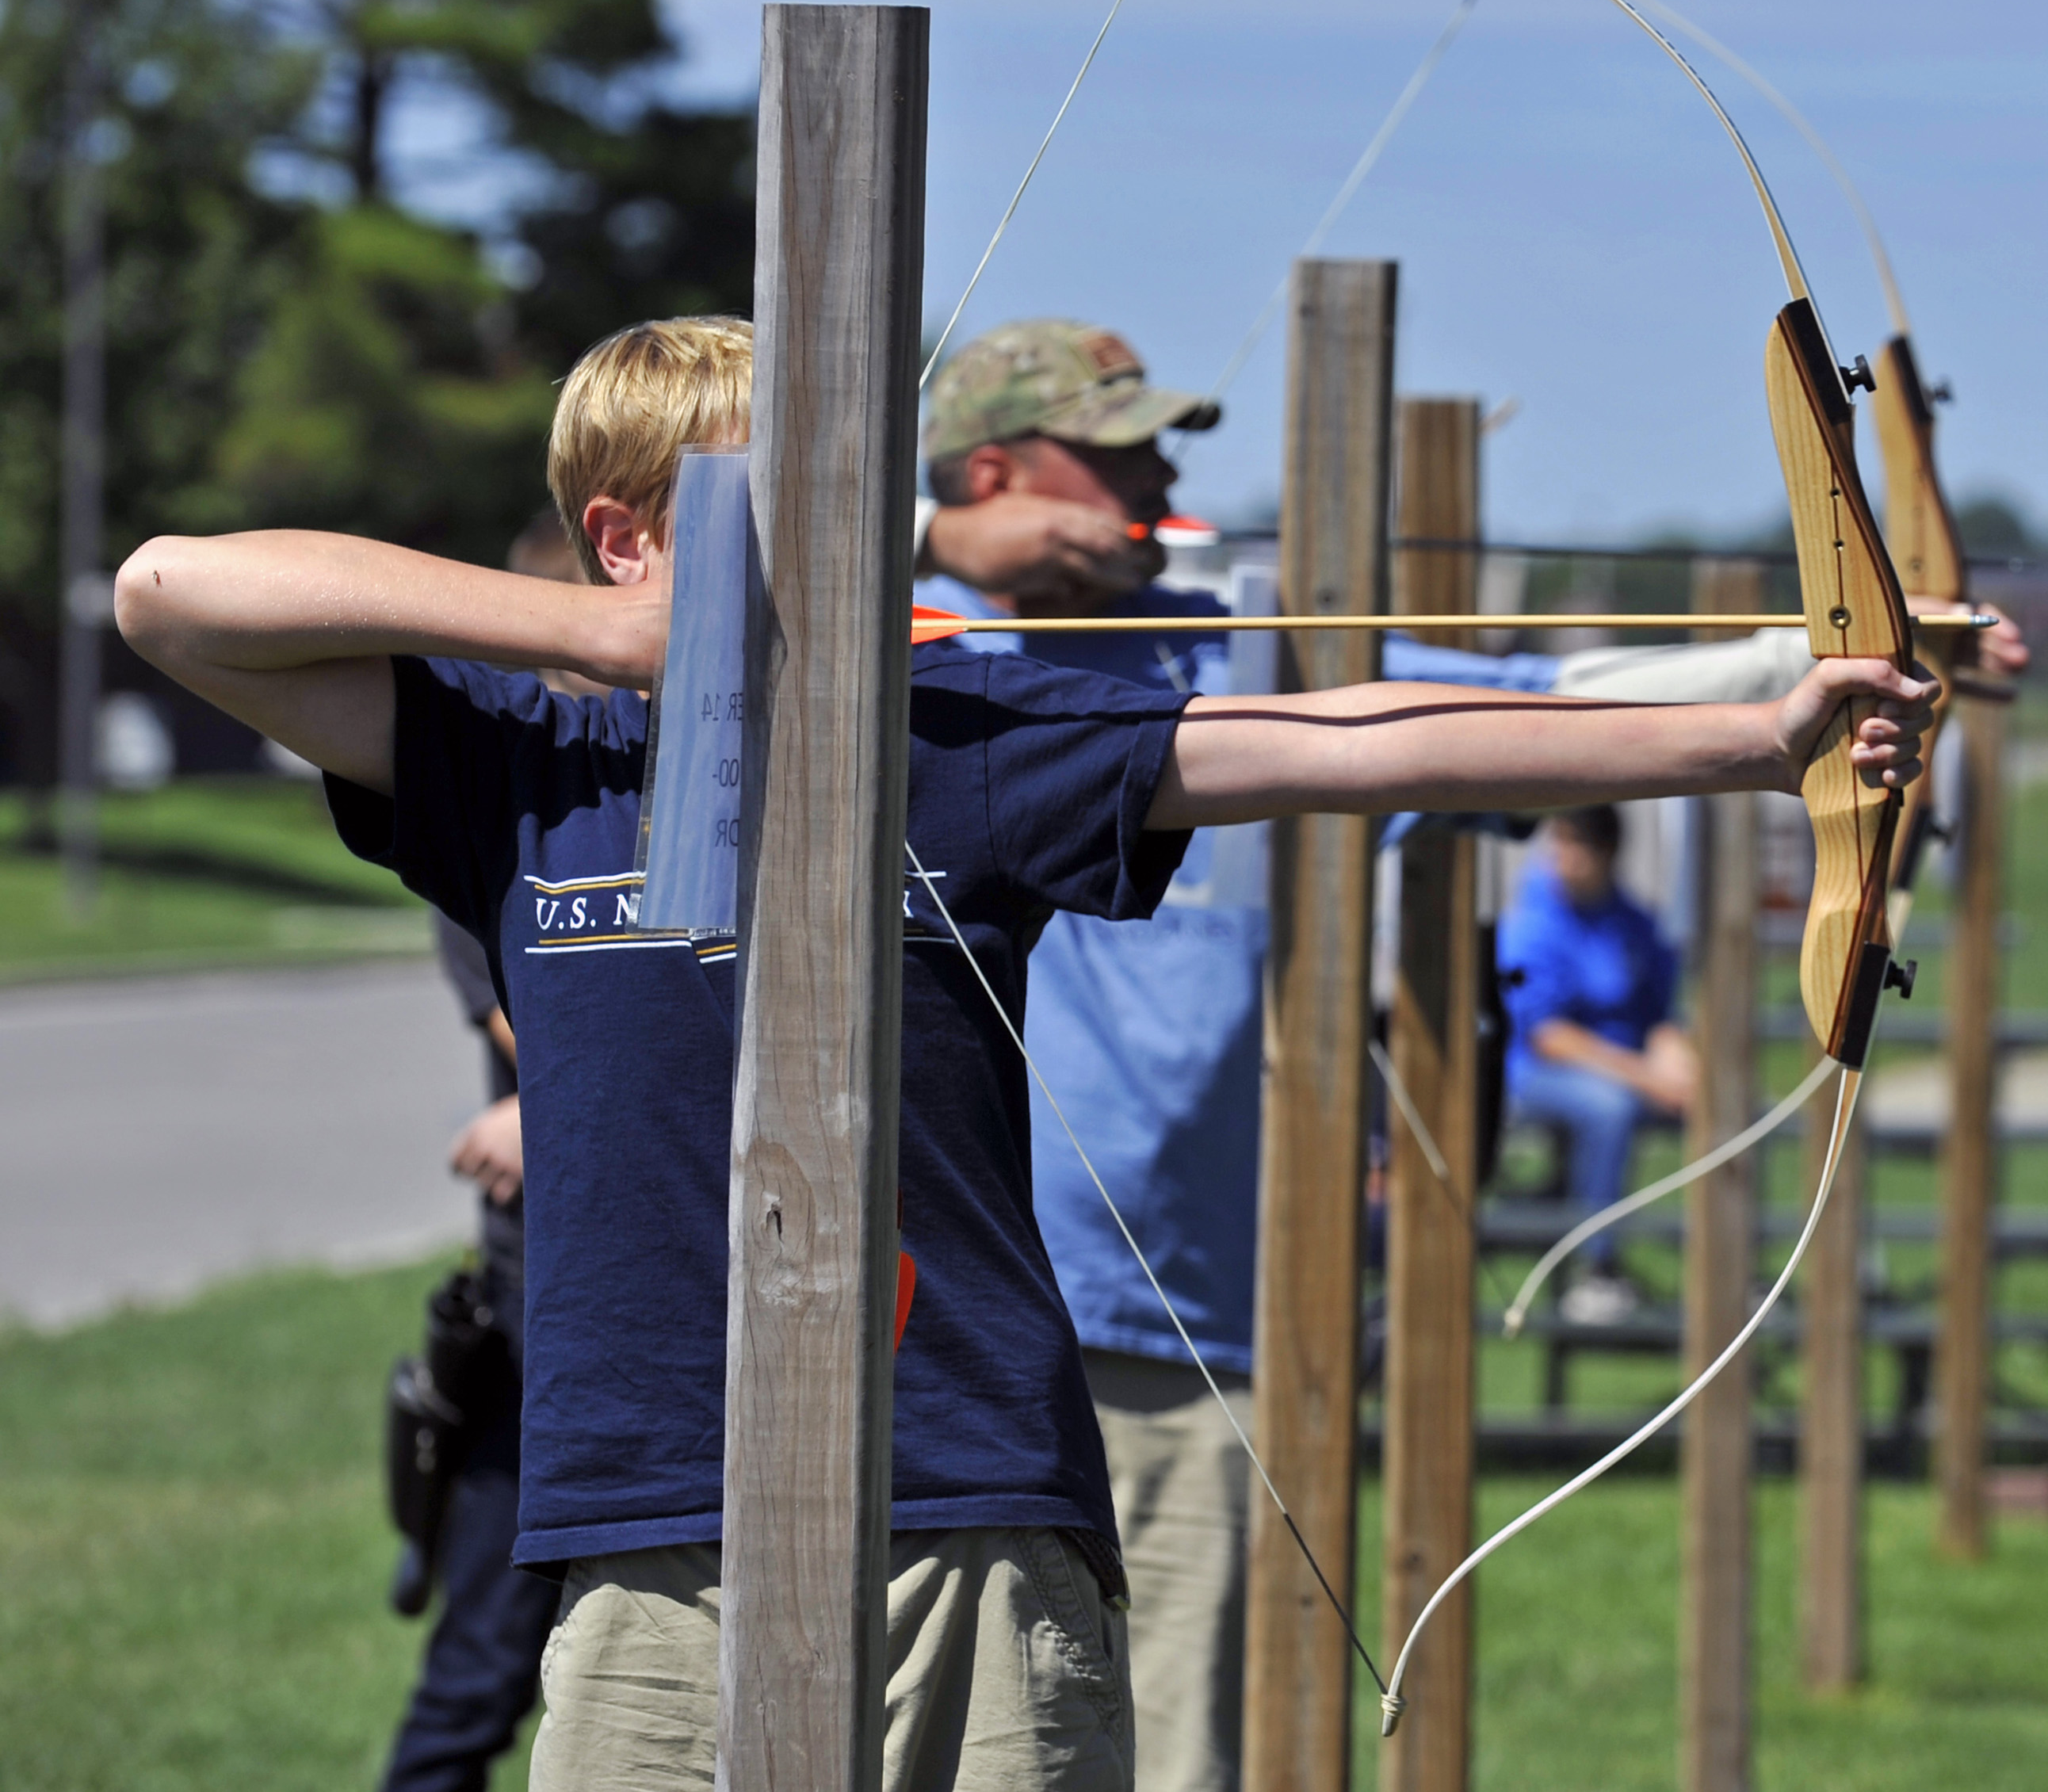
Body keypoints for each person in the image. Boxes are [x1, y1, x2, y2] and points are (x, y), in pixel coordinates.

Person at [114, 313, 1936, 1792]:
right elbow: (172, 588)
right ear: (625, 533)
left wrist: (1755, 741)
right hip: (655, 1510)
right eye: (771, 511)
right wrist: (602, 639)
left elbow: (1349, 739)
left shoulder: (956, 731)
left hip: (967, 1487)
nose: (827, 553)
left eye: (843, 505)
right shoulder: (517, 759)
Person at [909, 316, 2029, 1789]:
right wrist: (938, 532)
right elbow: (682, 586)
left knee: (1159, 1744)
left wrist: (1801, 661)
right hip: (941, 1326)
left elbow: (1519, 716)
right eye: (1114, 451)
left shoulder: (1233, 637)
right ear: (996, 465)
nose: (1155, 475)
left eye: (1160, 448)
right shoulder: (888, 641)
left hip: (1190, 1316)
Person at [376, 510, 589, 1792]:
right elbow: (561, 1015)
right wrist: (549, 1100)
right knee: (486, 1662)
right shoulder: (503, 804)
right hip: (540, 1300)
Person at [1497, 804, 1696, 1324]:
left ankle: (1730, 1265)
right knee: (1610, 1109)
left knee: (1726, 1100)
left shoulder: (1631, 921)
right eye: (1557, 842)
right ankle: (1597, 1270)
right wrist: (1644, 1074)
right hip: (1538, 1074)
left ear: (1606, 854)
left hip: (1627, 1069)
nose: (1561, 856)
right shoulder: (1532, 920)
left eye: (1575, 845)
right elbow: (1546, 1035)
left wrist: (1676, 1057)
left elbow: (1658, 1010)